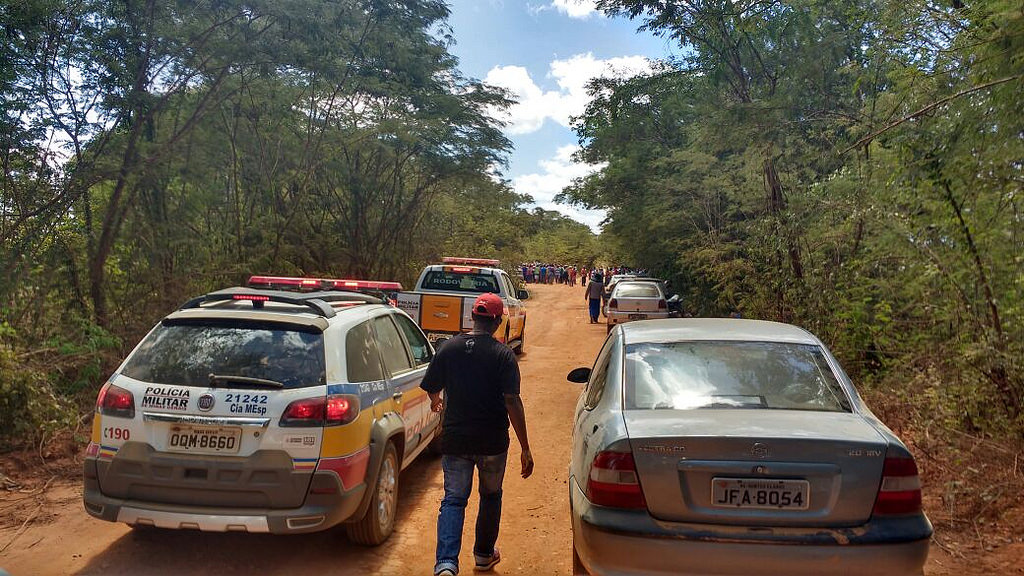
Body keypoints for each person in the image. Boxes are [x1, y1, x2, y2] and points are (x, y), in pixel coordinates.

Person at [422, 292, 534, 576]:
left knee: (453, 500)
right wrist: (525, 447)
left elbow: (432, 386)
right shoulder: (503, 355)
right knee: (491, 496)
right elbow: (512, 401)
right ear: (497, 322)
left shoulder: (448, 348)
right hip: (492, 442)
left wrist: (436, 401)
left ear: (472, 317)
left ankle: (446, 563)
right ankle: (484, 555)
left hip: (456, 441)